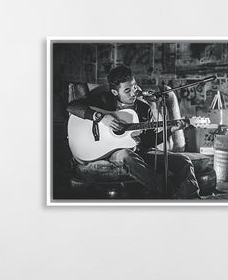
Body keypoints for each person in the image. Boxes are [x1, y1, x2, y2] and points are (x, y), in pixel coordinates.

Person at [67, 65, 200, 199]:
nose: (133, 93)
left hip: (140, 151)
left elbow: (151, 140)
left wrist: (170, 130)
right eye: (127, 90)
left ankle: (192, 200)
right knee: (127, 155)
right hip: (114, 151)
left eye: (134, 86)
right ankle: (169, 194)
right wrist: (101, 117)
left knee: (184, 161)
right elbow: (72, 107)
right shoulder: (104, 100)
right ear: (115, 92)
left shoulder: (143, 108)